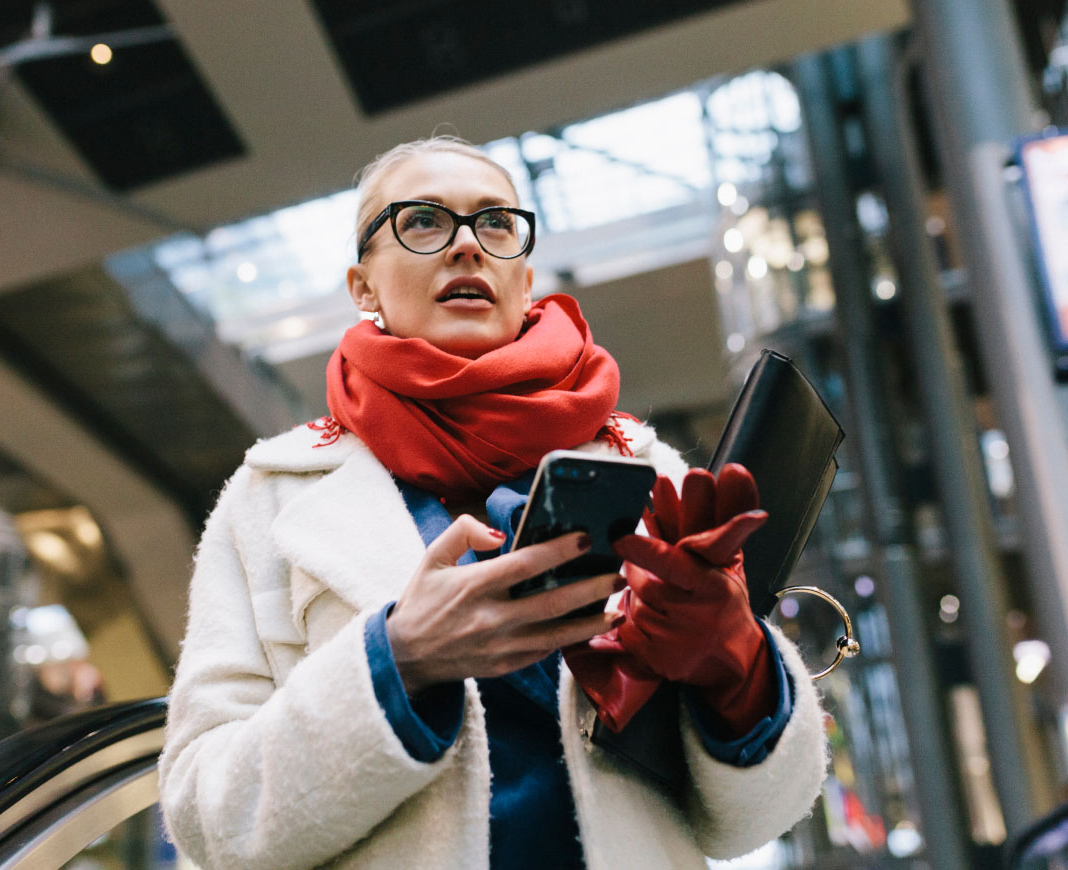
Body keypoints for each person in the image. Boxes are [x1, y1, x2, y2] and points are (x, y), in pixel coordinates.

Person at [158, 136, 828, 870]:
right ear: (363, 287)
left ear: (526, 276)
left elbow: (753, 821)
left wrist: (736, 666)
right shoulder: (274, 493)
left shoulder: (643, 466)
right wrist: (397, 660)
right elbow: (207, 817)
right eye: (422, 222)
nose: (467, 247)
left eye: (496, 224)